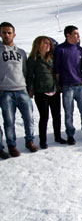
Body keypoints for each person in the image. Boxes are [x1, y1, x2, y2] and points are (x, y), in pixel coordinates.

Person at [0, 22, 38, 156]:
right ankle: (11, 145)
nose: (6, 35)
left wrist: (29, 88)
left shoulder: (21, 52)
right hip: (5, 91)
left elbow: (26, 72)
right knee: (9, 120)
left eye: (9, 32)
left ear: (14, 34)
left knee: (29, 118)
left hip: (22, 89)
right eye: (4, 32)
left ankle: (30, 141)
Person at [54, 25, 82, 145]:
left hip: (80, 85)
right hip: (67, 86)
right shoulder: (60, 49)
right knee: (68, 112)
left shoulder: (80, 50)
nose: (78, 36)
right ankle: (70, 134)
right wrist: (59, 84)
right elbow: (57, 70)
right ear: (68, 35)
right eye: (75, 33)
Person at [26, 36, 67, 149]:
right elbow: (29, 76)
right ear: (38, 45)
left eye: (49, 44)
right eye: (45, 43)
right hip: (41, 91)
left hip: (54, 90)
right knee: (44, 117)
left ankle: (57, 136)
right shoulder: (33, 59)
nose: (48, 45)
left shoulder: (52, 58)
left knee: (57, 115)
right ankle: (43, 140)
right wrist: (29, 89)